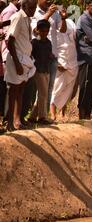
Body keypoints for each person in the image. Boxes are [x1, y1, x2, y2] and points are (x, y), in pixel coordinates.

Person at [4, 0, 37, 131]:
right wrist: (17, 63)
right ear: (23, 6)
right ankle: (10, 123)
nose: (33, 10)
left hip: (25, 59)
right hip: (16, 59)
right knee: (13, 90)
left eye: (34, 7)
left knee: (21, 89)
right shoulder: (18, 17)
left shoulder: (27, 18)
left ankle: (17, 120)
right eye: (31, 7)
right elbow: (10, 41)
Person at [32, 0, 67, 111]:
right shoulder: (33, 12)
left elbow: (62, 30)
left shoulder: (55, 13)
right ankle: (36, 114)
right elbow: (35, 31)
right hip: (39, 56)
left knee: (49, 87)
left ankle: (42, 114)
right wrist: (48, 14)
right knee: (40, 88)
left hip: (52, 56)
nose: (49, 1)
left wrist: (63, 18)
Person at [49, 11, 78, 121]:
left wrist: (64, 19)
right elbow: (50, 42)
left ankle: (63, 114)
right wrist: (55, 62)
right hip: (59, 58)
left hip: (72, 59)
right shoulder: (52, 23)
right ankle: (52, 114)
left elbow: (75, 40)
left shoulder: (71, 23)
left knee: (68, 88)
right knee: (56, 88)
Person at [76, 0, 92, 120]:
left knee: (91, 88)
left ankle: (87, 115)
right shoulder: (84, 19)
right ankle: (82, 114)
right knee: (85, 86)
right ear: (87, 6)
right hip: (85, 57)